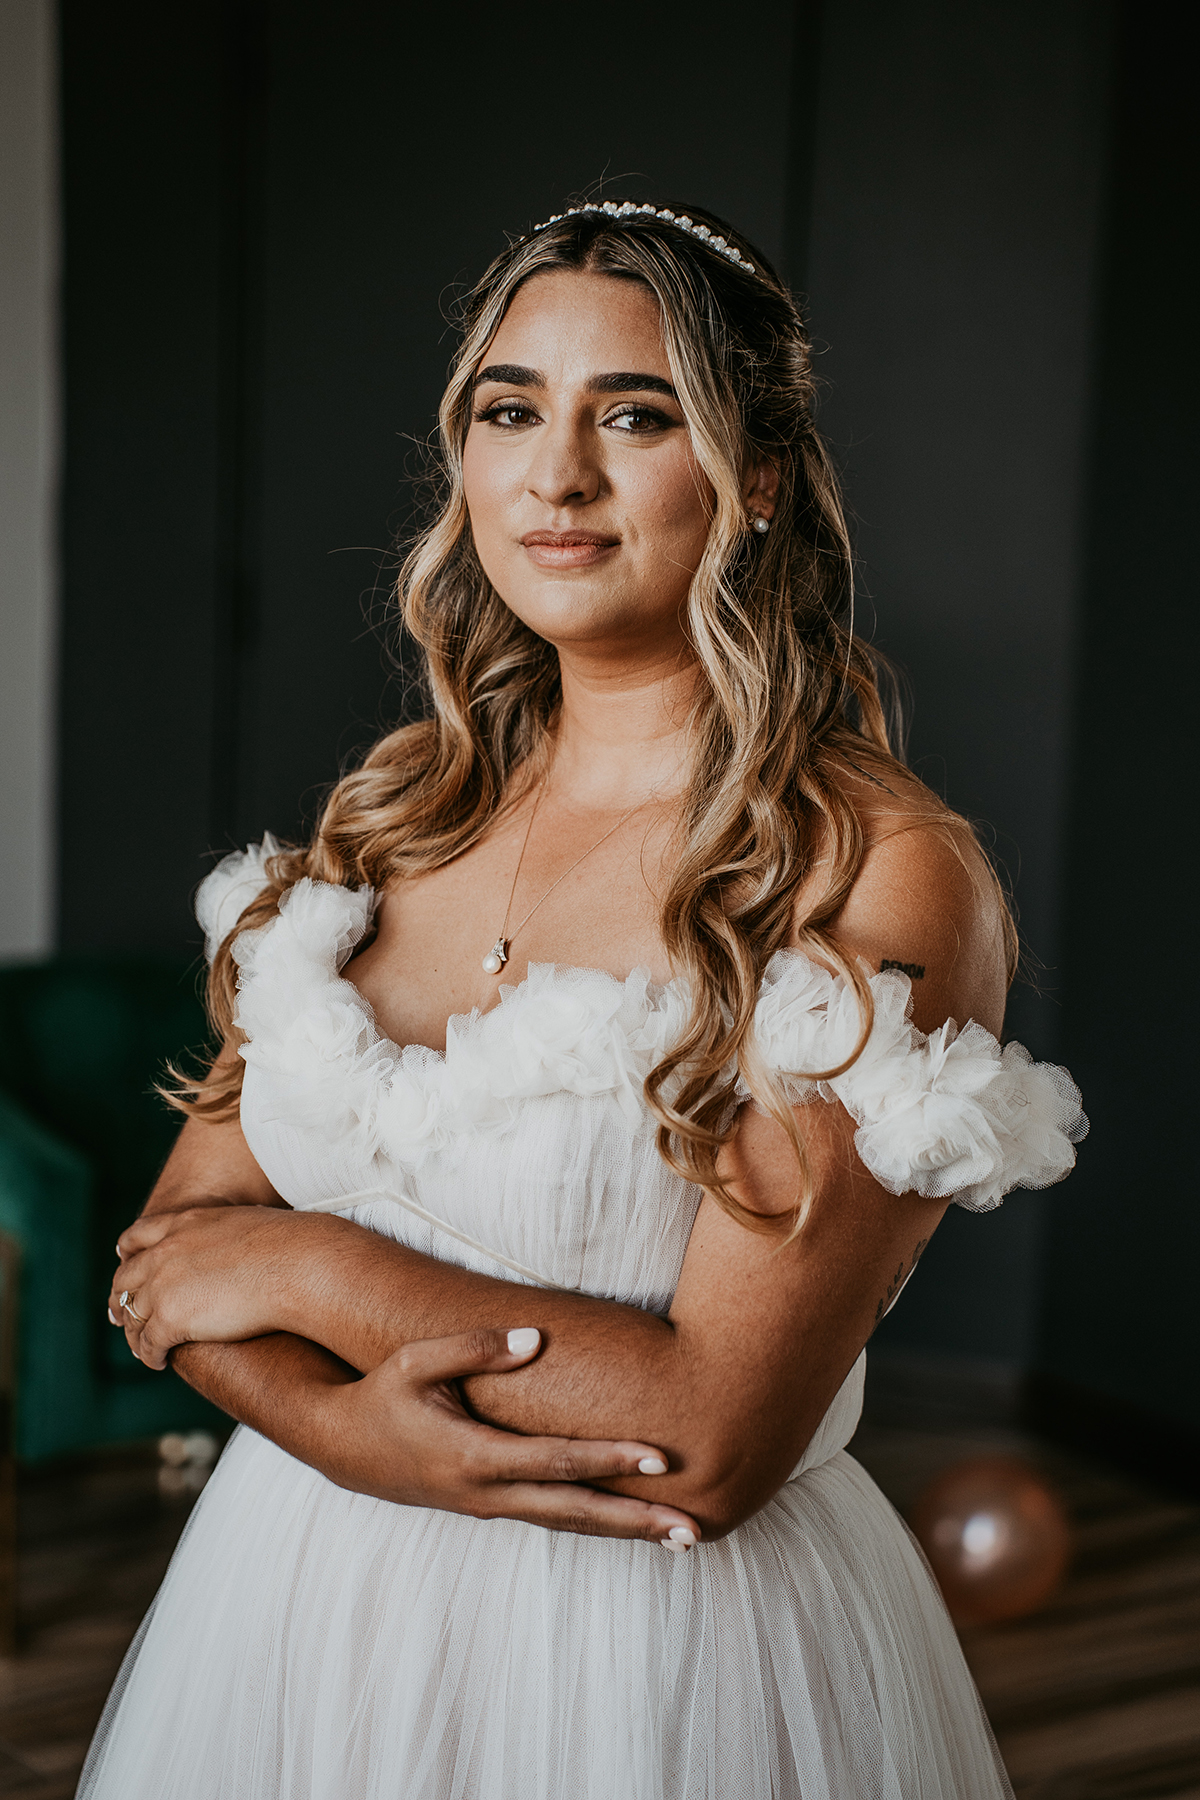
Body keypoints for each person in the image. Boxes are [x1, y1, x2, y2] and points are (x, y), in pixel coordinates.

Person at [80, 199, 1086, 1800]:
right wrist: (354, 1442)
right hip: (292, 1616)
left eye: (635, 413)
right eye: (509, 412)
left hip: (659, 1668)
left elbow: (702, 1438)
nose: (556, 476)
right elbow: (160, 1266)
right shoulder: (390, 816)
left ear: (755, 477)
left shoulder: (863, 875)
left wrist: (310, 1266)